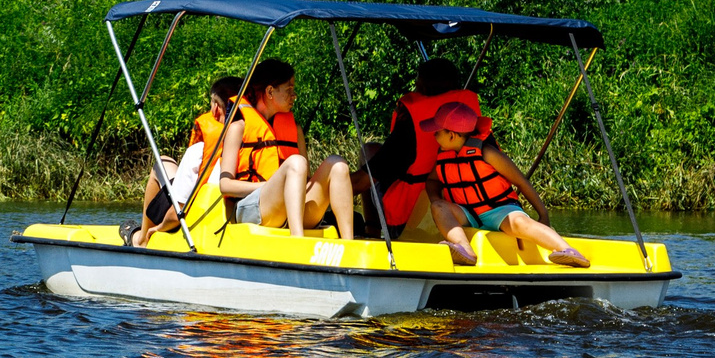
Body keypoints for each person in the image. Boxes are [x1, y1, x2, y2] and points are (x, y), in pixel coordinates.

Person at [426, 98, 589, 267]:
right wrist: (437, 200)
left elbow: (521, 182)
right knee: (438, 207)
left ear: (451, 135)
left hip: (499, 210)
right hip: (467, 213)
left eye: (437, 132)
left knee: (519, 223)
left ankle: (568, 250)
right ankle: (464, 248)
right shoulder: (444, 157)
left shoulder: (487, 153)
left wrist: (543, 215)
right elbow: (431, 181)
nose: (434, 135)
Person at [220, 58, 354, 241]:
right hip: (254, 209)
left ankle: (349, 244)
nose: (294, 95)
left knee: (337, 165)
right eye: (289, 89)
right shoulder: (238, 128)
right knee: (296, 162)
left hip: (292, 210)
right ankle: (297, 242)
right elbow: (225, 185)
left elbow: (304, 180)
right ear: (269, 91)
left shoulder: (295, 130)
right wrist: (271, 186)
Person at [354, 56, 481, 247]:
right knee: (374, 150)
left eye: (416, 85)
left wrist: (317, 193)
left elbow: (360, 183)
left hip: (406, 222)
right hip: (468, 212)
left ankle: (372, 230)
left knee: (369, 150)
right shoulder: (468, 118)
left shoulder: (412, 127)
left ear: (423, 90)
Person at [126, 75, 242, 248]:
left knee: (162, 162)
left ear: (216, 108)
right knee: (166, 163)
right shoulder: (258, 142)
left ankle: (142, 239)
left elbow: (176, 214)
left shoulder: (199, 151)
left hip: (192, 215)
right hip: (231, 208)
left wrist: (158, 228)